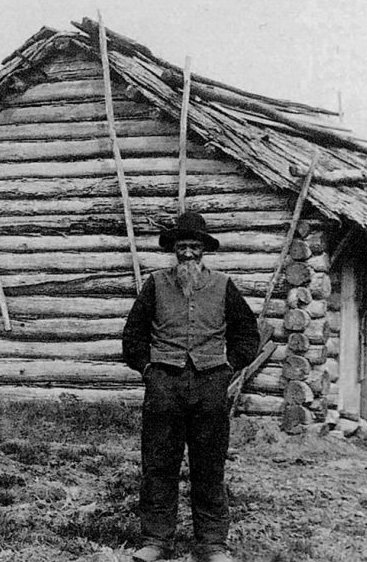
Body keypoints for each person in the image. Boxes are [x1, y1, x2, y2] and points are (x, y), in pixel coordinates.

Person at [122, 211, 260, 562]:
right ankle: (155, 540)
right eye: (181, 247)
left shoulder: (223, 285)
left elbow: (247, 334)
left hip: (210, 386)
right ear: (173, 250)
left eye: (194, 247)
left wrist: (229, 366)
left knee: (209, 465)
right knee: (158, 464)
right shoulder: (155, 284)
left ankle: (212, 544)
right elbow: (133, 336)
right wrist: (148, 370)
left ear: (203, 251)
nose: (187, 254)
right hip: (164, 387)